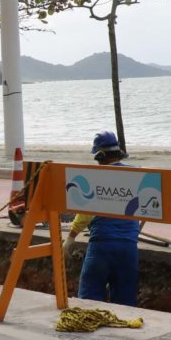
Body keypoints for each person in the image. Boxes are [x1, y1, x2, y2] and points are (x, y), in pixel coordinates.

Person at [63, 131, 143, 306]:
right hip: (129, 247)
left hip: (101, 246)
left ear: (100, 156)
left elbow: (85, 212)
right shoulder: (136, 174)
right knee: (125, 302)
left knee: (89, 300)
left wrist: (71, 237)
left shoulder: (97, 176)